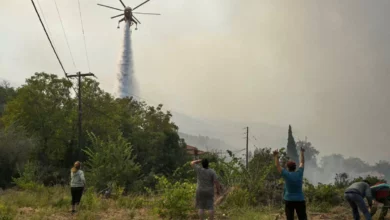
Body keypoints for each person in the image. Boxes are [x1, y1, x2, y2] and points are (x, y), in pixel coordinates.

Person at [273, 147, 307, 220]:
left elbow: (277, 166)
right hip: (300, 200)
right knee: (302, 218)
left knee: (290, 218)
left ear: (288, 168)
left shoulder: (286, 174)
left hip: (289, 200)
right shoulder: (299, 173)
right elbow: (302, 162)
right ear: (295, 168)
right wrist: (302, 153)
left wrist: (276, 156)